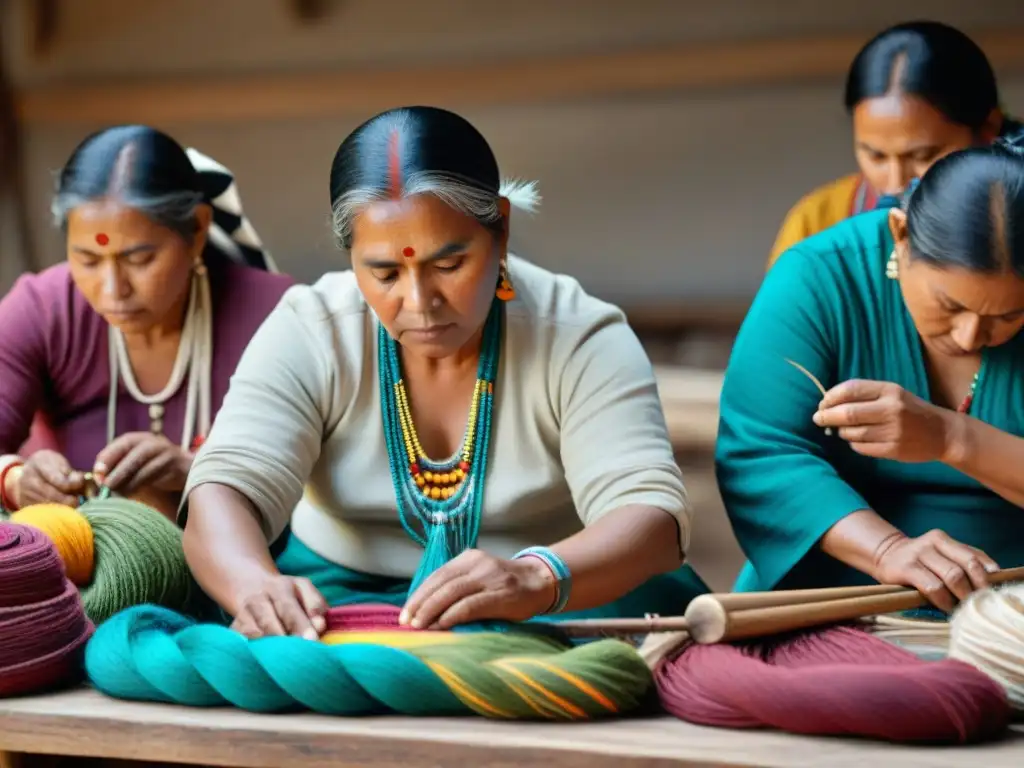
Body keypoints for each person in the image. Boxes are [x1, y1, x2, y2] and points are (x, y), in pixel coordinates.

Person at [181, 105, 706, 639]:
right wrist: (252, 585)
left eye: (449, 265)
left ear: (500, 228)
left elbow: (651, 516)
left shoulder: (578, 336)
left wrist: (535, 575)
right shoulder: (312, 328)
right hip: (337, 601)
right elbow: (224, 488)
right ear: (351, 258)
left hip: (557, 600)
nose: (419, 301)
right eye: (384, 271)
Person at [717, 129, 1024, 613]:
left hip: (1009, 603)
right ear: (901, 235)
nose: (969, 336)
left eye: (1009, 316)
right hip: (833, 588)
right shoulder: (818, 276)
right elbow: (761, 452)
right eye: (950, 304)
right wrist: (887, 550)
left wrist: (950, 437)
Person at [0, 125, 295, 520]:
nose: (112, 290)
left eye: (139, 259)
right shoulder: (43, 309)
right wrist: (15, 479)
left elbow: (324, 479)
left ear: (198, 230)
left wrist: (199, 471)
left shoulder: (279, 315)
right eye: (87, 260)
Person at [768, 20, 1020, 268]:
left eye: (923, 155)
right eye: (876, 156)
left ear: (988, 128)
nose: (895, 184)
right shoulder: (816, 223)